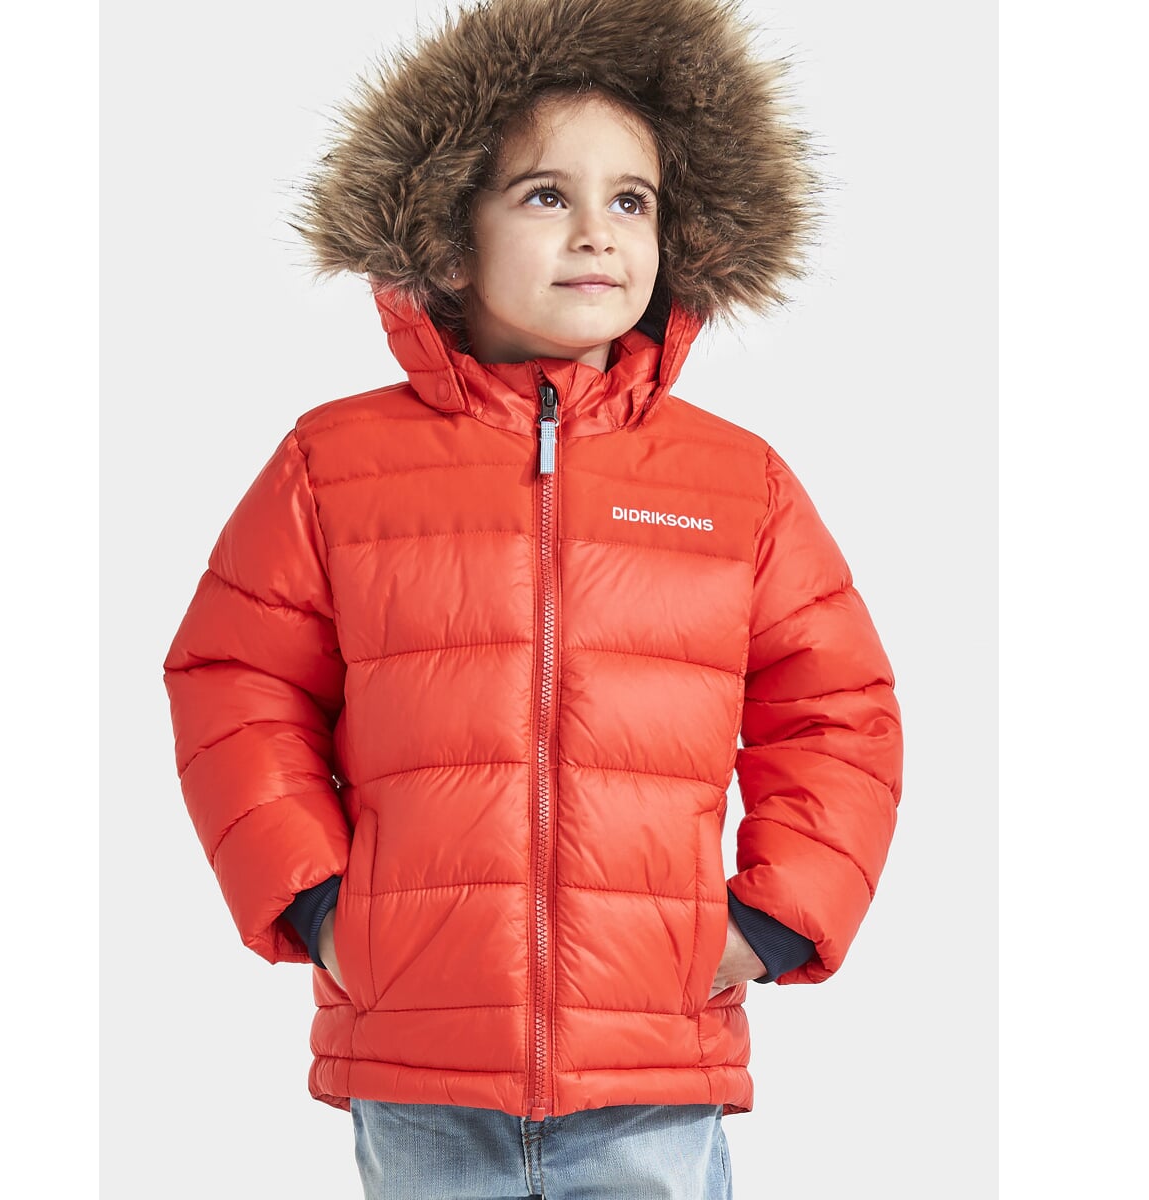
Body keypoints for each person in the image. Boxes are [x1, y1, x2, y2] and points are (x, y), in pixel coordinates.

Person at [163, 0, 904, 1195]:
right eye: (547, 194)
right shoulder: (333, 465)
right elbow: (235, 681)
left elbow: (839, 711)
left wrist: (769, 920)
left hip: (651, 1060)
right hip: (423, 1059)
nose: (597, 232)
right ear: (449, 236)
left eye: (633, 201)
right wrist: (314, 900)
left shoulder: (736, 484)